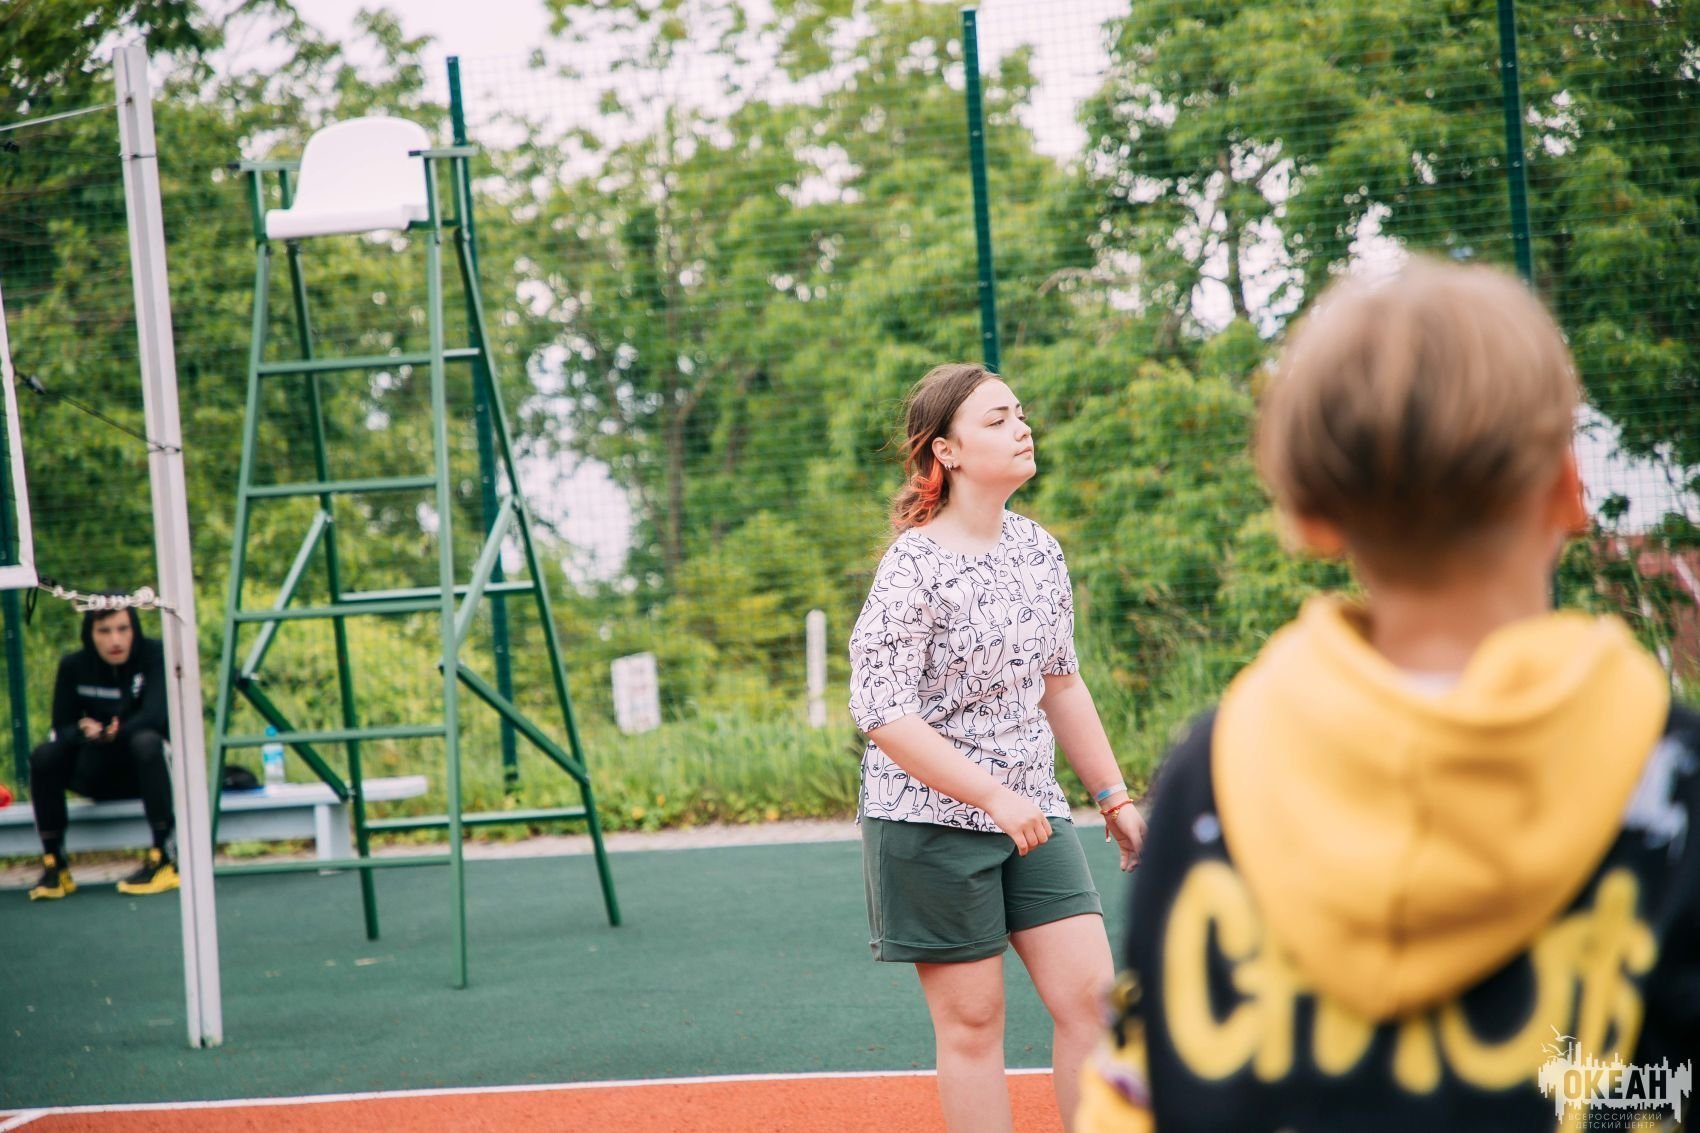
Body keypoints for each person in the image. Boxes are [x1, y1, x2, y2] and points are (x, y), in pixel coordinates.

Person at [1076, 259, 1700, 1131]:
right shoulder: (1674, 777)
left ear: (1308, 515)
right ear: (1568, 486)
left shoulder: (1212, 773)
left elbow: (1134, 1097)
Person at [849, 362, 1148, 1133]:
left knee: (1093, 1000)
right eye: (997, 419)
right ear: (945, 452)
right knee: (974, 1023)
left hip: (1033, 813)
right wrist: (989, 794)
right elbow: (881, 710)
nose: (1022, 427)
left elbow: (1062, 683)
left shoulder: (1038, 549)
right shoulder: (913, 566)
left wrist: (1113, 796)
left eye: (1020, 413)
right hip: (928, 821)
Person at [28, 603, 178, 900]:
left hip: (145, 773)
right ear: (90, 633)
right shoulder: (73, 666)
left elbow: (155, 717)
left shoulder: (155, 655)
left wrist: (116, 732)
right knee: (44, 755)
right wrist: (82, 731)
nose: (115, 640)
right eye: (104, 631)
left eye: (123, 629)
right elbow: (61, 727)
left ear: (134, 629)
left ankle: (164, 856)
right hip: (95, 772)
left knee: (146, 742)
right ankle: (55, 864)